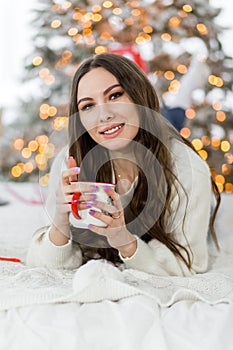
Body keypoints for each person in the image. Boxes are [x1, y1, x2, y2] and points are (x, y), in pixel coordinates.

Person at [26, 53, 220, 276]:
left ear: (138, 96)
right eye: (88, 106)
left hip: (160, 136)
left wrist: (125, 241)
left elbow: (189, 263)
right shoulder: (71, 162)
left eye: (115, 95)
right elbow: (43, 263)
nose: (104, 115)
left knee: (173, 116)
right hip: (135, 128)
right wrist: (60, 222)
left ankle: (189, 84)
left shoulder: (188, 169)